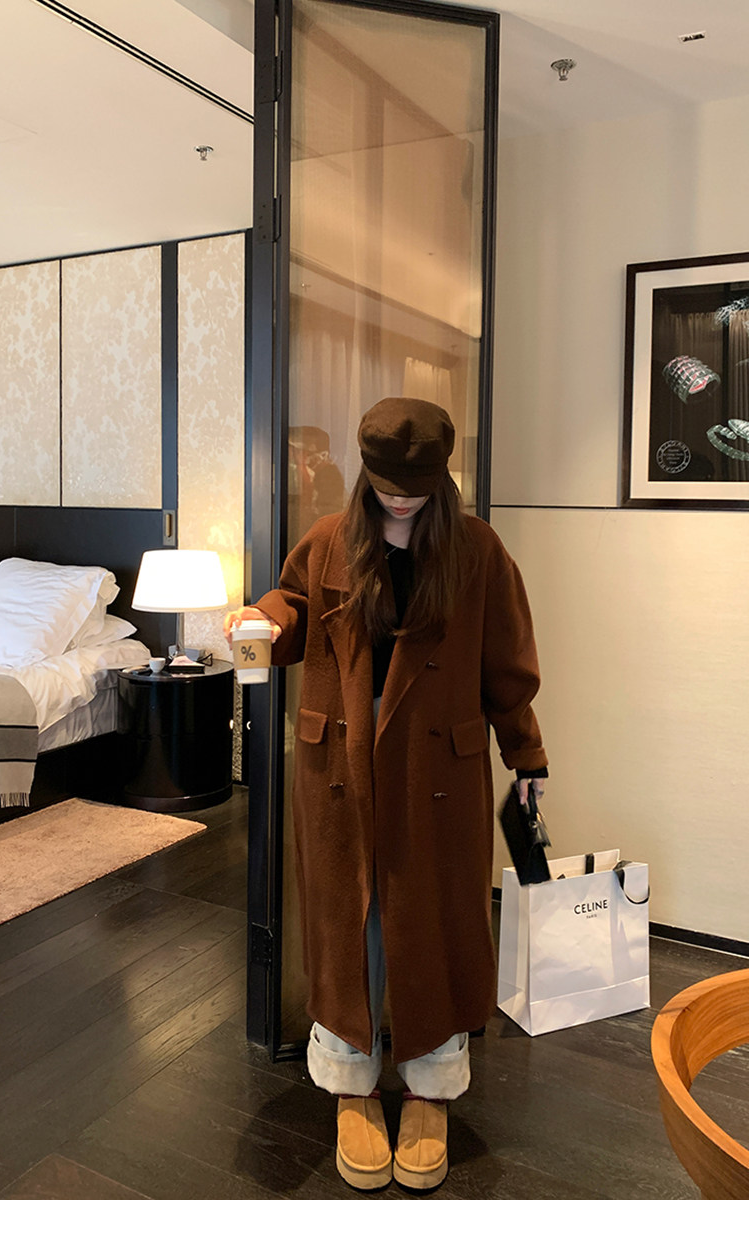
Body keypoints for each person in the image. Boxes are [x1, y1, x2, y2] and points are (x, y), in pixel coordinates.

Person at [225, 397, 548, 1193]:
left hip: (437, 762)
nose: (401, 501)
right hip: (341, 757)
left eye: (417, 488)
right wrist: (262, 619)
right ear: (365, 474)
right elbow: (294, 606)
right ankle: (352, 1083)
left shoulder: (477, 550)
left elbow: (507, 664)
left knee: (433, 918)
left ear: (444, 479)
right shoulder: (330, 539)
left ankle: (431, 1087)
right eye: (386, 486)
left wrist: (526, 754)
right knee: (351, 917)